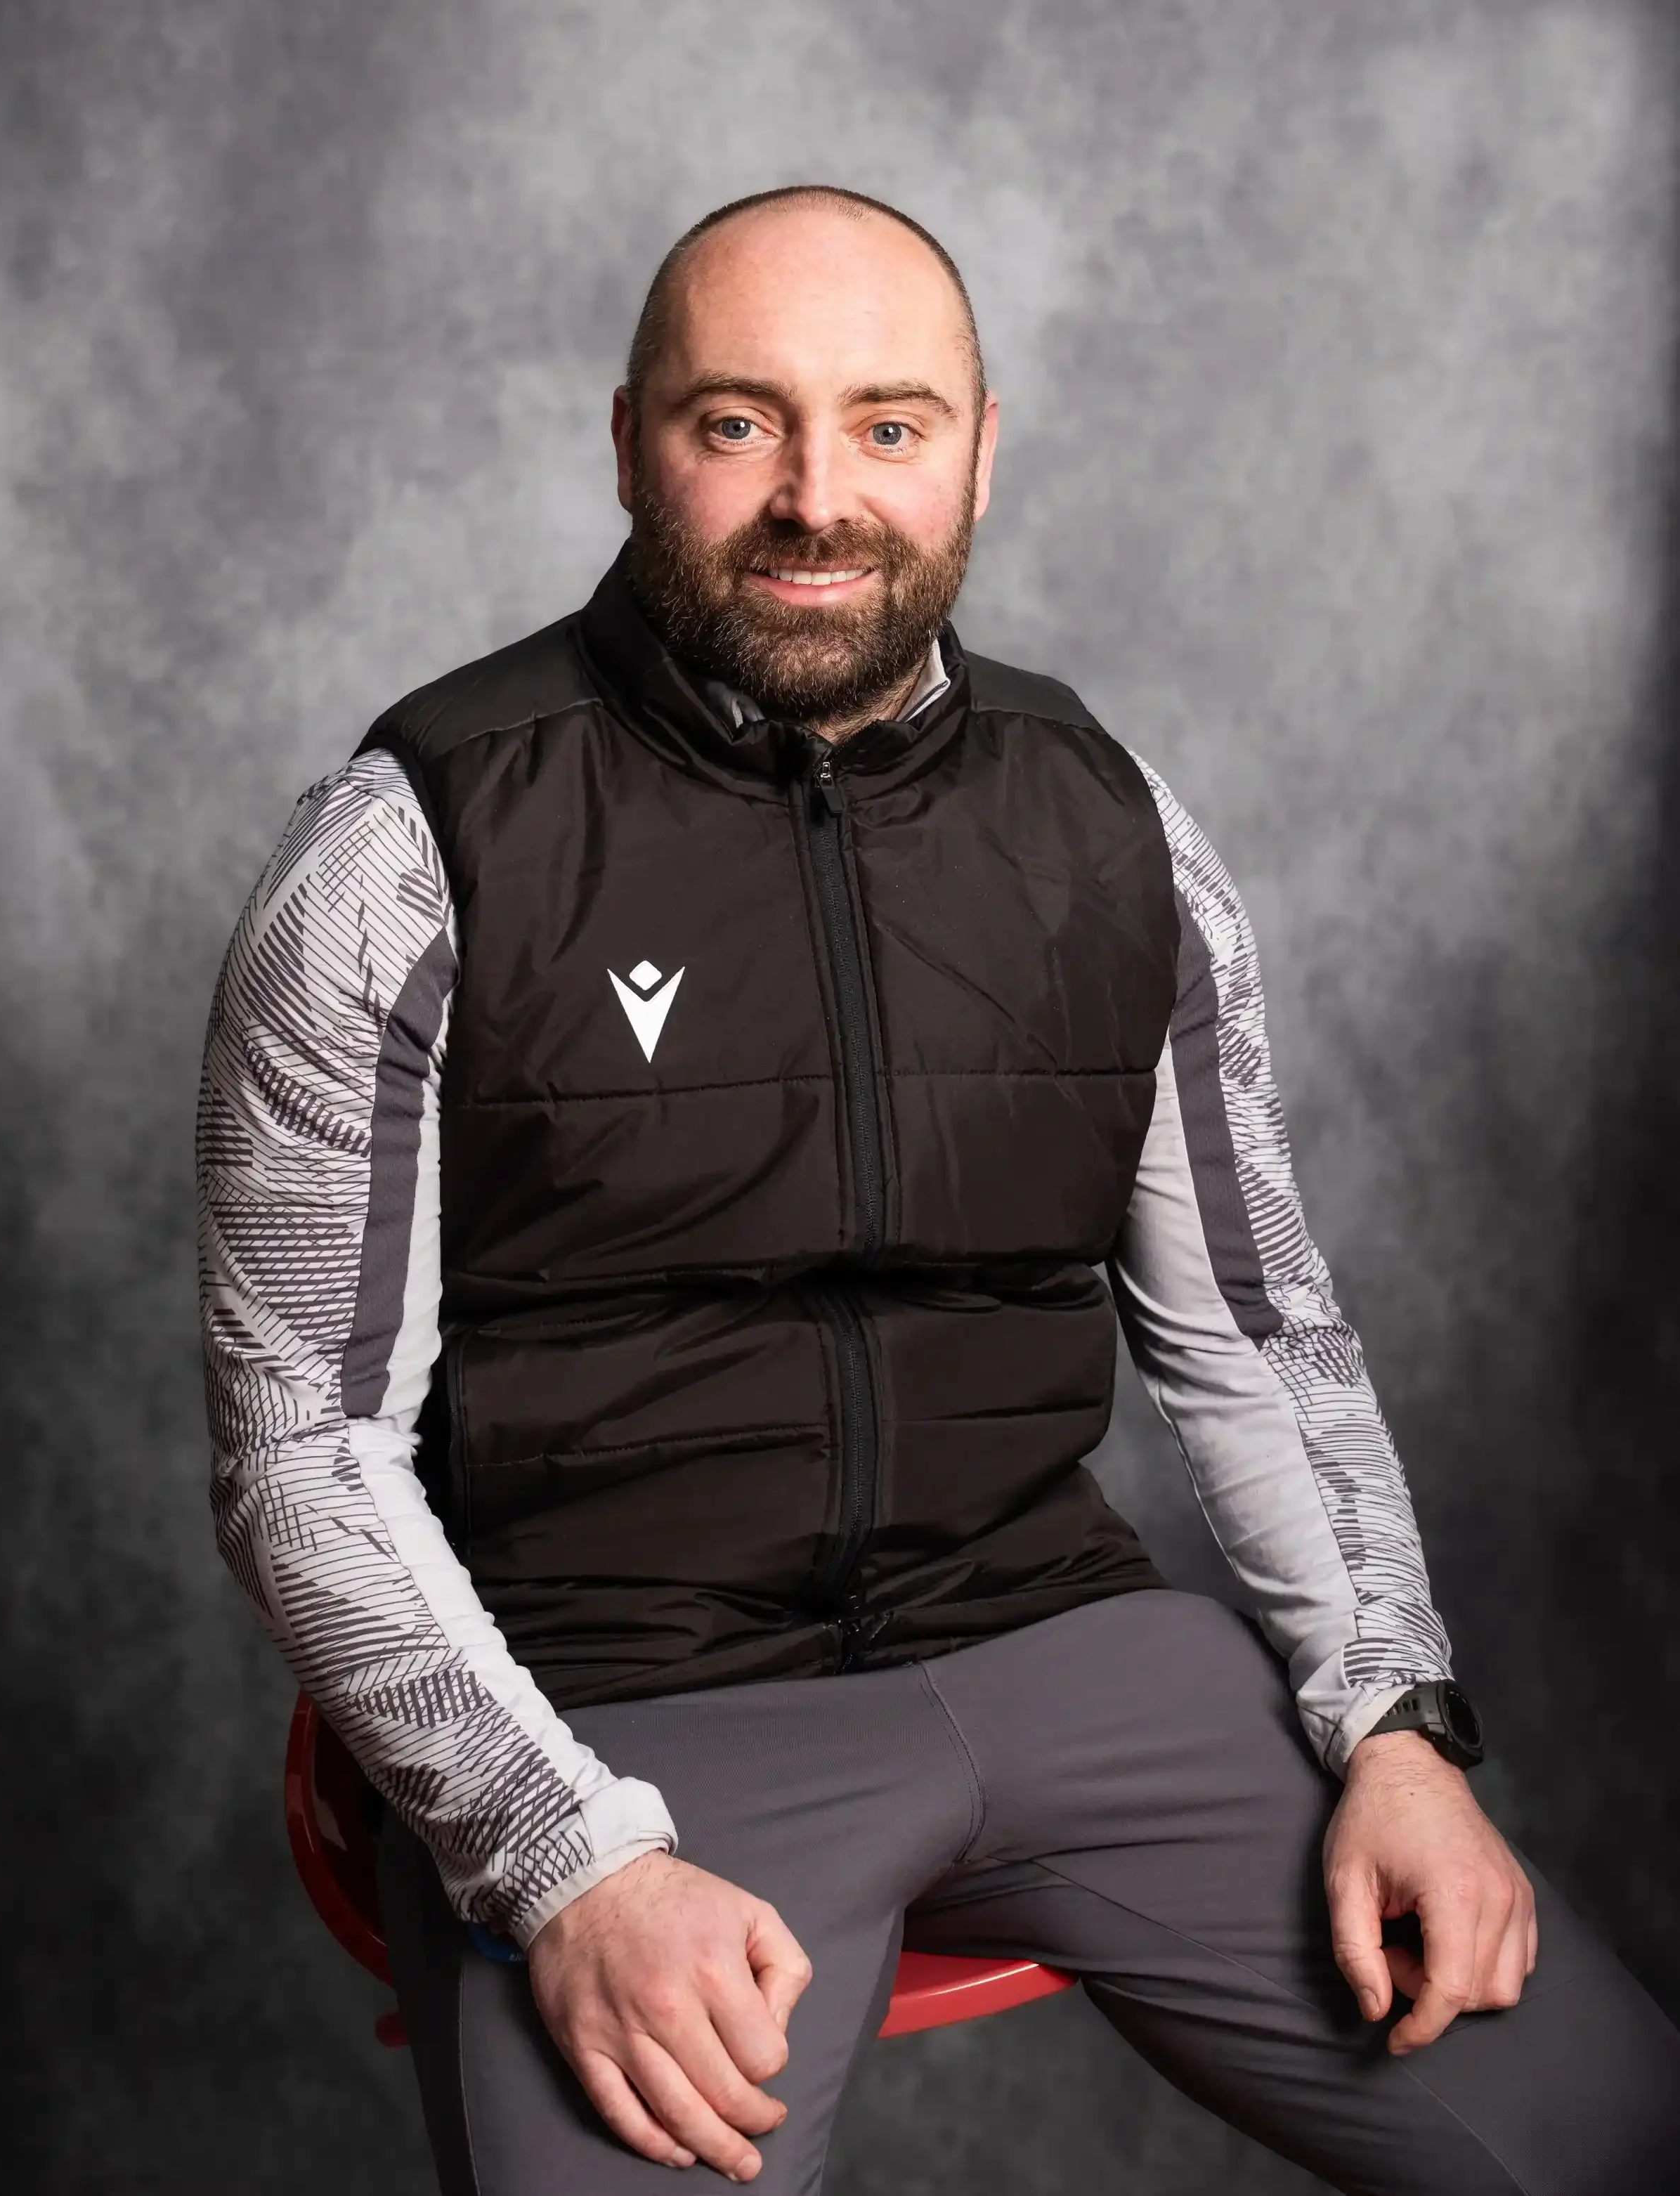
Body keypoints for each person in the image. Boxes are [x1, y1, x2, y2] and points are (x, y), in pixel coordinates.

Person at [197, 185, 1680, 2194]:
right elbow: (300, 1443)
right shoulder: (408, 851)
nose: (818, 494)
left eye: (886, 424)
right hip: (627, 1707)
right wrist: (565, 1859)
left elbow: (1257, 1334)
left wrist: (1396, 1725)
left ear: (981, 442)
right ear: (629, 439)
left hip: (1058, 1640)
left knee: (1605, 2134)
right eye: (739, 423)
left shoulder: (1112, 826)